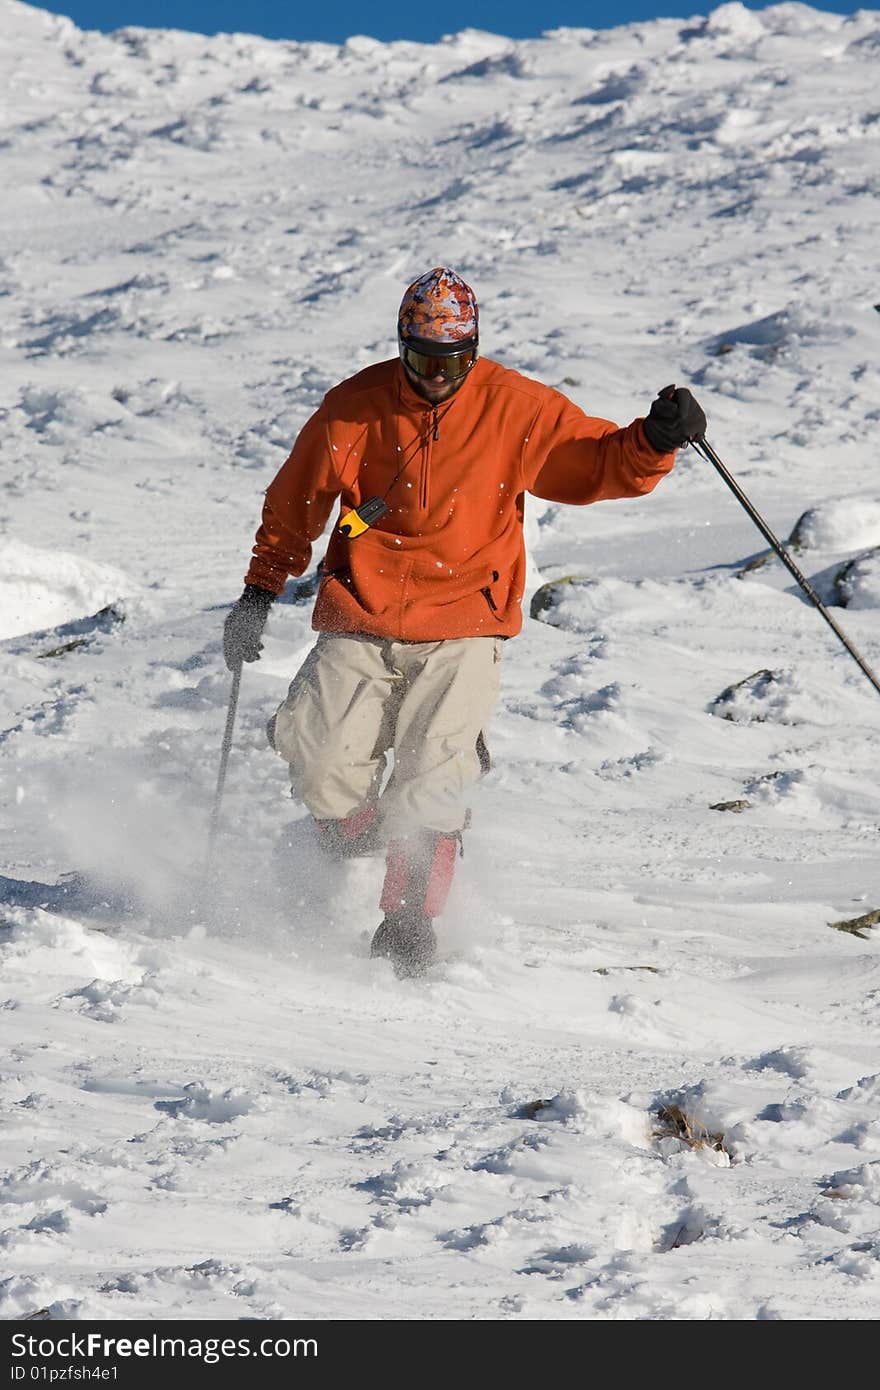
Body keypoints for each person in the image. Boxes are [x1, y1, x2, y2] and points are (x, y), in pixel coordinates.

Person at [224, 266, 705, 977]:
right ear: (402, 348)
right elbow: (297, 501)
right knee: (318, 755)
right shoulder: (354, 409)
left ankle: (408, 917)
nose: (438, 376)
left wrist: (655, 441)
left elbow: (593, 462)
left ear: (473, 351)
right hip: (364, 609)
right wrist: (261, 589)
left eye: (454, 361)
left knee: (431, 782)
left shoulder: (515, 407)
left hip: (466, 618)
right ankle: (353, 842)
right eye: (422, 360)